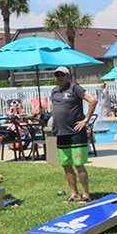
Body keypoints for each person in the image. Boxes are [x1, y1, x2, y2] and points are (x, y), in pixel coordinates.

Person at [50, 66, 98, 203]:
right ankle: (74, 193)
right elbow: (53, 106)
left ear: (68, 76)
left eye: (62, 75)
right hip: (61, 132)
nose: (59, 77)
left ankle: (86, 194)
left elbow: (93, 100)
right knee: (66, 164)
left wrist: (85, 120)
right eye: (57, 75)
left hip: (76, 133)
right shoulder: (54, 91)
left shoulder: (75, 88)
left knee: (78, 164)